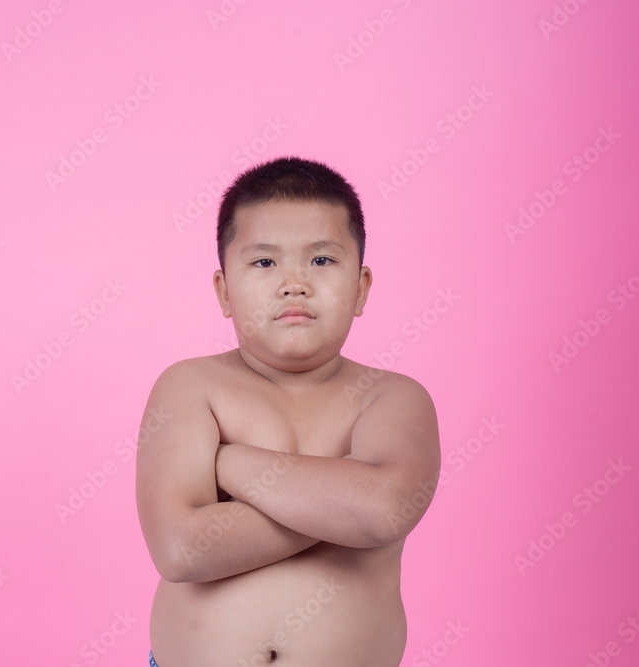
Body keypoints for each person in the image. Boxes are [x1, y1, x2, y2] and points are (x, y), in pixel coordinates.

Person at [135, 156, 441, 666]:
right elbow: (182, 549)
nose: (293, 283)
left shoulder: (389, 396)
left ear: (361, 287)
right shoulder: (191, 386)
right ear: (224, 291)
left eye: (322, 261)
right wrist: (344, 500)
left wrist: (231, 462)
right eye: (264, 262)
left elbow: (386, 508)